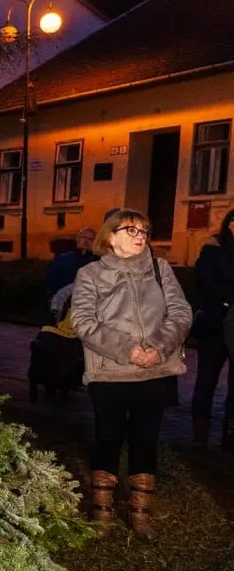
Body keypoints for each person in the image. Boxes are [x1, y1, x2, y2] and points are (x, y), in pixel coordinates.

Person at [73, 209, 191, 540]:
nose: (141, 236)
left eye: (145, 231)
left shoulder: (160, 268)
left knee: (145, 438)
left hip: (156, 370)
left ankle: (139, 514)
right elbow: (83, 321)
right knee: (108, 437)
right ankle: (102, 512)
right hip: (110, 372)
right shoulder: (90, 274)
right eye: (132, 230)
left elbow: (180, 312)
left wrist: (159, 346)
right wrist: (129, 350)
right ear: (110, 236)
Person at [193, 209, 234, 449]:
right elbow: (206, 284)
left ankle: (230, 432)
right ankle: (200, 432)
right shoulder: (212, 251)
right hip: (215, 325)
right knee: (207, 378)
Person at [46, 228, 98, 299]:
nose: (86, 241)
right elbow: (52, 281)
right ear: (78, 239)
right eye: (84, 237)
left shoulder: (97, 262)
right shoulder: (62, 258)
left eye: (90, 239)